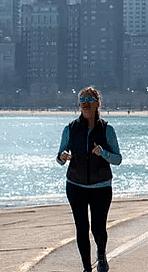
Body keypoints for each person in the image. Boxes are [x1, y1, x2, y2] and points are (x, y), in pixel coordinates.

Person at [57, 86, 122, 272]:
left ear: (97, 103)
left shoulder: (107, 129)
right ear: (78, 104)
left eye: (90, 99)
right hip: (75, 185)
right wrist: (62, 157)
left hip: (101, 186)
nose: (86, 103)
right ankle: (86, 267)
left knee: (98, 229)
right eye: (82, 99)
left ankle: (101, 255)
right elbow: (59, 156)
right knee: (81, 228)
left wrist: (103, 153)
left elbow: (118, 159)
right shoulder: (70, 129)